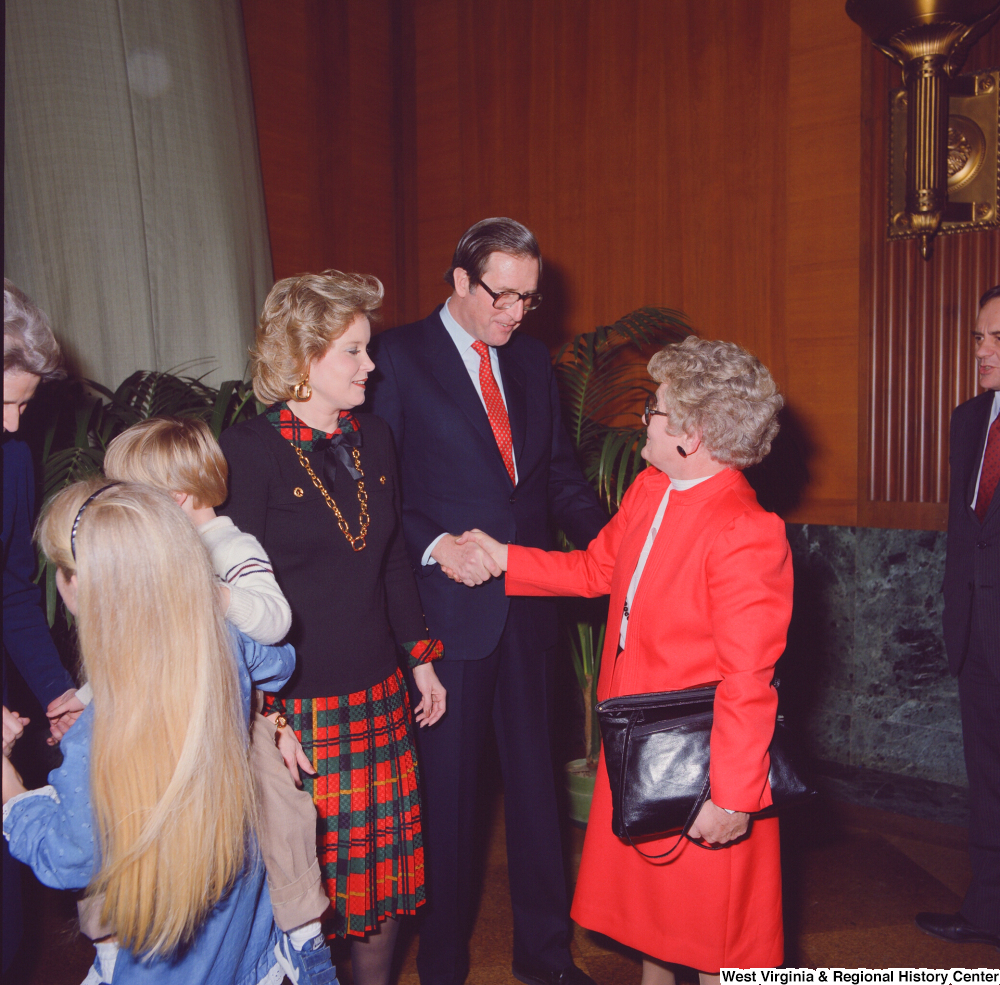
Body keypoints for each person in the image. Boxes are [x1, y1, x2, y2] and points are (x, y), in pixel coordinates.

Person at [462, 337, 793, 981]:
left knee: (710, 936)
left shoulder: (745, 530)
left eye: (657, 411)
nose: (646, 421)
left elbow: (749, 680)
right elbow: (596, 569)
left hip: (699, 762)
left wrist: (731, 798)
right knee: (652, 925)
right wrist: (504, 559)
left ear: (692, 435)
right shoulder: (650, 487)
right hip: (632, 739)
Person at [368, 217, 607, 985]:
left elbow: (557, 481)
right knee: (451, 805)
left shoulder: (534, 362)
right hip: (446, 616)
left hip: (530, 613)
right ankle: (441, 964)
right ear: (461, 281)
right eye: (502, 296)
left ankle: (545, 955)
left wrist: (627, 544)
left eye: (528, 300)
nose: (515, 313)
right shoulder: (397, 357)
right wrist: (439, 547)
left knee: (537, 798)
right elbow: (381, 490)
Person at [218, 270, 447, 985]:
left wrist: (421, 659)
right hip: (293, 712)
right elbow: (229, 596)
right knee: (299, 890)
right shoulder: (246, 450)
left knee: (379, 890)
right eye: (352, 351)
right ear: (301, 357)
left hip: (377, 695)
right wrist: (263, 713)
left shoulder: (373, 437)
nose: (370, 366)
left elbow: (391, 562)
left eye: (366, 349)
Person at [2, 479, 295, 985]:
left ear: (76, 587)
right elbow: (279, 662)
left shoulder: (97, 738)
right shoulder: (221, 643)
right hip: (246, 938)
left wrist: (9, 784)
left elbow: (67, 859)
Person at [99, 416, 336, 981]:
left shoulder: (228, 544)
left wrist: (215, 592)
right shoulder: (157, 554)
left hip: (237, 718)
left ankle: (301, 933)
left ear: (175, 499)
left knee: (284, 808)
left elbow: (276, 621)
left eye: (131, 498)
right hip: (174, 720)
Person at [3, 279, 83, 974]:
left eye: (23, 405)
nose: (13, 424)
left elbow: (13, 595)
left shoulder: (15, 459)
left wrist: (58, 691)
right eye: (4, 402)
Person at [916, 284, 1000, 949]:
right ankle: (986, 910)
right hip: (976, 635)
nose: (983, 350)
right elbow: (961, 529)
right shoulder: (969, 417)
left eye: (998, 338)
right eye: (979, 336)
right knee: (988, 782)